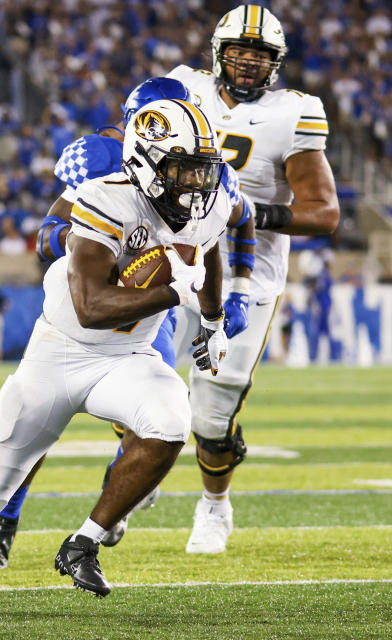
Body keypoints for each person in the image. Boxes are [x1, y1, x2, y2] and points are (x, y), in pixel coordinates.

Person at [0, 98, 243, 621]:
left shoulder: (210, 204)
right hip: (60, 355)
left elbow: (211, 251)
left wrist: (213, 320)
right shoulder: (103, 199)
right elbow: (91, 308)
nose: (197, 184)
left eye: (203, 170)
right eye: (183, 169)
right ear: (145, 162)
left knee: (171, 420)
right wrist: (172, 294)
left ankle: (83, 543)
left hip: (129, 355)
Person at [0, 77, 256, 570]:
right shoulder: (101, 161)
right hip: (92, 303)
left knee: (156, 417)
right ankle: (5, 519)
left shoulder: (205, 168)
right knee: (35, 421)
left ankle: (112, 500)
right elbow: (46, 236)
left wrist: (240, 289)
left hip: (153, 311)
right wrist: (103, 246)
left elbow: (241, 216)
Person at [165, 4, 338, 554]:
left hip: (247, 279)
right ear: (218, 52)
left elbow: (324, 213)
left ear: (276, 63)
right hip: (173, 261)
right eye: (239, 51)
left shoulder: (295, 112)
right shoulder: (181, 88)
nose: (247, 62)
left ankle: (214, 506)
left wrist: (242, 210)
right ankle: (126, 484)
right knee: (132, 381)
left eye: (260, 54)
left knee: (211, 416)